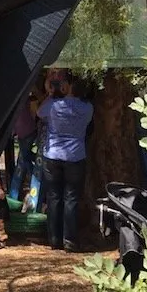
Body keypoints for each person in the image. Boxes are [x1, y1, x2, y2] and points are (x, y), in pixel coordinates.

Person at [37, 72, 93, 252]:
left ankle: (54, 239)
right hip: (76, 156)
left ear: (66, 87)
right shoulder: (88, 108)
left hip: (53, 155)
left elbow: (39, 112)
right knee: (72, 199)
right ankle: (70, 240)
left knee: (53, 198)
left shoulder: (54, 105)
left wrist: (51, 94)